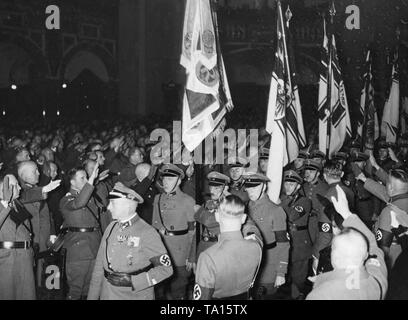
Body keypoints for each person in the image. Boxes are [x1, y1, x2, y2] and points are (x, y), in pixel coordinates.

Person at [87, 188, 173, 300]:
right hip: (107, 293)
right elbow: (99, 266)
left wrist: (133, 281)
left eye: (113, 204)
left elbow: (166, 269)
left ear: (127, 206)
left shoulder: (147, 232)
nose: (108, 207)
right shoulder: (111, 227)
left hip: (133, 295)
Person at [306, 185, 387, 300]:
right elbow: (374, 246)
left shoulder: (321, 294)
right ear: (365, 255)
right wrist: (347, 213)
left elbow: (371, 243)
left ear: (335, 257)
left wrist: (346, 214)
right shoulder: (378, 280)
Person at [193, 195, 262, 300]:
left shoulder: (208, 257)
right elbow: (254, 229)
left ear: (217, 217)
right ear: (243, 218)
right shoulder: (256, 246)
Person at [151, 164, 196, 300]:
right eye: (164, 179)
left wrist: (192, 256)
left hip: (181, 250)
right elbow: (155, 223)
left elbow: (192, 231)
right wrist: (159, 229)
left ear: (179, 181)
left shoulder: (188, 201)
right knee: (159, 289)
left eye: (170, 179)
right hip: (161, 249)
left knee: (179, 287)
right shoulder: (158, 199)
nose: (165, 182)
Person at [194, 171, 262, 259]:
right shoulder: (207, 204)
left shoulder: (230, 207)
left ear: (225, 188)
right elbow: (198, 231)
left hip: (220, 249)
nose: (212, 191)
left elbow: (214, 223)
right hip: (203, 247)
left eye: (217, 188)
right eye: (211, 187)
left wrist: (199, 211)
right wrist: (193, 256)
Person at [59, 163, 102, 299]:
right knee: (76, 291)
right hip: (78, 251)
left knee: (91, 290)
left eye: (86, 177)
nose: (87, 180)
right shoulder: (66, 199)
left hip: (94, 246)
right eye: (82, 178)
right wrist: (91, 182)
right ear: (72, 182)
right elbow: (78, 203)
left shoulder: (90, 198)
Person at [244, 173, 289, 299]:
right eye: (248, 187)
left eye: (254, 187)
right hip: (247, 263)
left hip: (268, 264)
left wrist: (281, 271)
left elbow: (283, 243)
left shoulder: (276, 211)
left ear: (263, 187)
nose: (250, 191)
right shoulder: (245, 207)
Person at [358, 166, 408, 269]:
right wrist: (364, 179)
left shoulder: (389, 212)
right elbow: (383, 192)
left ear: (390, 187)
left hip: (394, 260)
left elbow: (383, 249)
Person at [312, 160, 355, 275]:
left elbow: (325, 230)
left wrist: (317, 255)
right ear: (341, 175)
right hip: (348, 242)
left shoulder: (329, 195)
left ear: (325, 175)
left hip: (332, 248)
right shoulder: (349, 191)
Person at [0, 174, 36, 299]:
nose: (20, 188)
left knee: (26, 295)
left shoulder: (18, 204)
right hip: (7, 260)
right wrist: (5, 204)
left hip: (24, 258)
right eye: (16, 185)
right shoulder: (3, 206)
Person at [281, 170, 312, 299]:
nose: (288, 187)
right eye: (286, 184)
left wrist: (279, 204)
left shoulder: (304, 201)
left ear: (298, 186)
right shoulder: (282, 199)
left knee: (298, 277)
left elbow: (292, 216)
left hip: (299, 243)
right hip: (286, 240)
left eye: (291, 184)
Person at [303, 159, 329, 245]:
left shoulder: (325, 189)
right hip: (303, 223)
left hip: (316, 224)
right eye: (306, 171)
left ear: (318, 173)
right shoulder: (302, 187)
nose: (307, 174)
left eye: (311, 171)